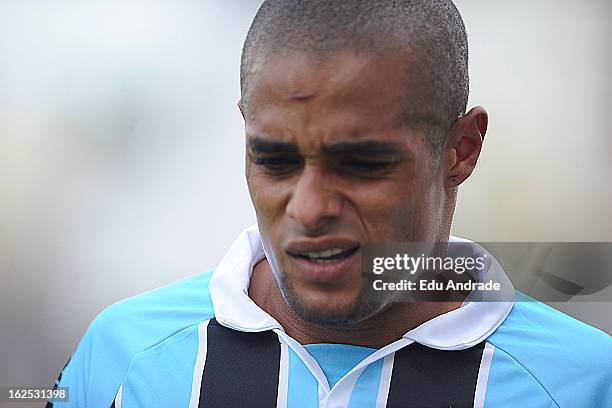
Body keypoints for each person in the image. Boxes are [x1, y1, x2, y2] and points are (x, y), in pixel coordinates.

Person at [49, 1, 611, 407]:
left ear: (460, 150)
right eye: (275, 160)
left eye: (362, 164)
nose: (310, 208)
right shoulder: (124, 357)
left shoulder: (584, 383)